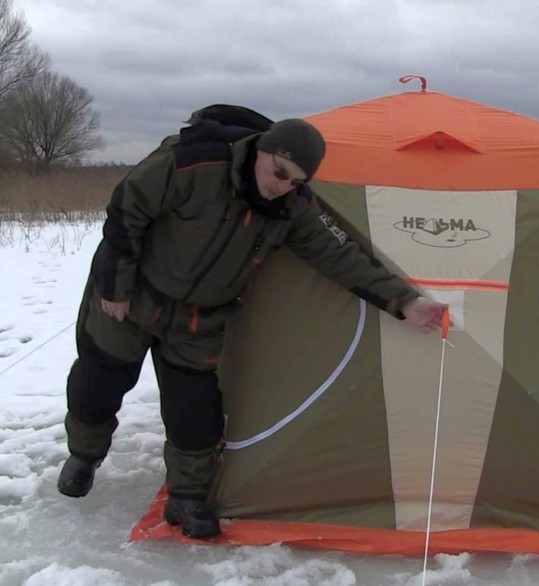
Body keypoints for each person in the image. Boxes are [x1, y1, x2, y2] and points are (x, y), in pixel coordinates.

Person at [57, 105, 446, 539]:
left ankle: (186, 498)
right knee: (99, 381)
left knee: (195, 409)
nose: (283, 187)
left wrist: (404, 302)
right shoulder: (194, 163)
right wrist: (114, 286)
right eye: (280, 172)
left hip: (198, 319)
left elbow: (339, 257)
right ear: (262, 151)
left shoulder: (291, 208)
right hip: (132, 297)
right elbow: (126, 210)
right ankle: (84, 456)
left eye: (296, 182)